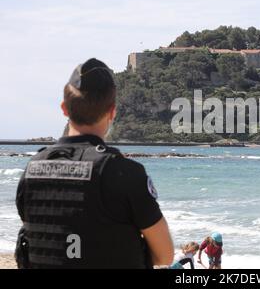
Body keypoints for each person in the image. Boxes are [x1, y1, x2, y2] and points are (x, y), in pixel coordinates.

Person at [15, 58, 174, 269]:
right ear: (112, 112)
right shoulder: (124, 174)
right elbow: (165, 256)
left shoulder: (32, 171)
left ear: (64, 109)